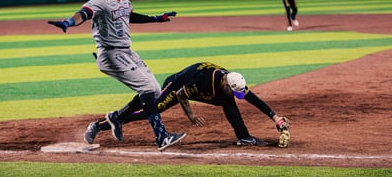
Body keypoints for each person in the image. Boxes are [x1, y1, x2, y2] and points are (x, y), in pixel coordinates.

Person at [47, 0, 185, 151]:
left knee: (154, 91)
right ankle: (161, 137)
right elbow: (84, 13)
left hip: (127, 52)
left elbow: (130, 16)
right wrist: (68, 22)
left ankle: (115, 118)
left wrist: (156, 18)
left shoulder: (123, 0)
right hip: (110, 54)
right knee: (145, 88)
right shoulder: (100, 0)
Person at [84, 62, 290, 147]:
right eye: (234, 91)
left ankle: (243, 137)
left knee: (229, 102)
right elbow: (182, 95)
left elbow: (253, 99)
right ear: (225, 84)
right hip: (177, 86)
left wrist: (276, 117)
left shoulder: (232, 82)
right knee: (152, 112)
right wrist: (190, 116)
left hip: (199, 91)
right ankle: (105, 123)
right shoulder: (205, 80)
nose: (237, 94)